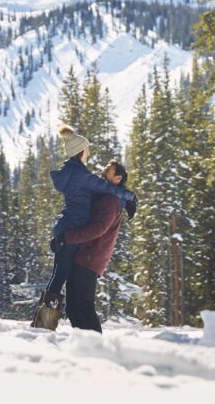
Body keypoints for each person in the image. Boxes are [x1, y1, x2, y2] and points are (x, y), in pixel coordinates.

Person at [30, 125, 135, 329]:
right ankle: (43, 325)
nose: (89, 154)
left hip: (68, 227)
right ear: (80, 151)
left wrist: (123, 199)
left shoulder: (72, 172)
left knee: (61, 279)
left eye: (107, 170)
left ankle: (45, 325)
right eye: (86, 149)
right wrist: (129, 197)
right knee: (60, 278)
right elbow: (104, 187)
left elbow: (104, 196)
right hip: (71, 229)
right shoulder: (80, 174)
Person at [64, 160, 135, 333]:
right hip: (84, 256)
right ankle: (85, 346)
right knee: (73, 307)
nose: (103, 173)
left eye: (108, 171)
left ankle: (97, 348)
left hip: (90, 258)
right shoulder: (105, 196)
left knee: (83, 306)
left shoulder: (111, 201)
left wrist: (68, 237)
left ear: (117, 178)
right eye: (104, 169)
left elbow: (98, 229)